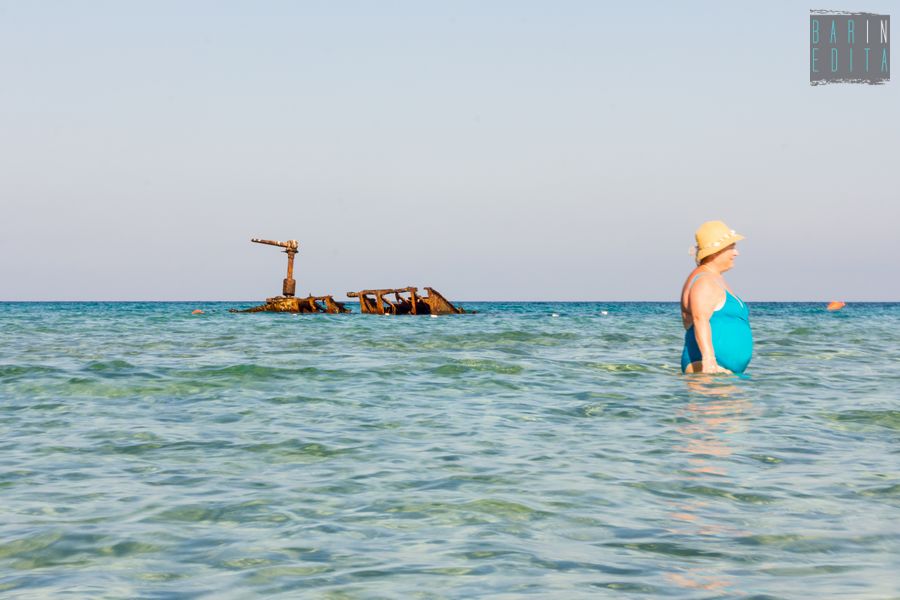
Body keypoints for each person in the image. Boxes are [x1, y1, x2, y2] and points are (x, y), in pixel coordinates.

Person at [680, 221, 752, 374]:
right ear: (715, 251)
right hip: (709, 369)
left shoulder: (714, 278)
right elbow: (700, 319)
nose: (736, 253)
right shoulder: (704, 281)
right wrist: (709, 360)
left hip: (723, 373)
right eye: (731, 247)